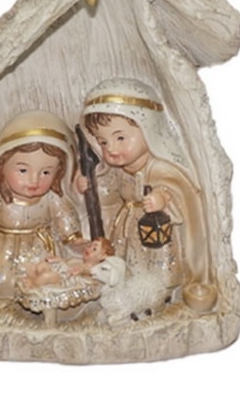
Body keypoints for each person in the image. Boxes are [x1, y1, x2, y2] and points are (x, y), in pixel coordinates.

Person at [79, 79, 215, 311]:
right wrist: (90, 185)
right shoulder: (116, 170)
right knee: (127, 265)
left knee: (154, 264)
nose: (111, 148)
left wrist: (162, 198)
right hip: (126, 228)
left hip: (156, 232)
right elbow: (108, 194)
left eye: (120, 138)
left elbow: (177, 190)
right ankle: (130, 294)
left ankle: (159, 294)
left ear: (148, 130)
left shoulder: (160, 168)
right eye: (103, 141)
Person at [0, 110, 86, 299]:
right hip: (3, 253)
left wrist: (73, 239)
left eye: (45, 172)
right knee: (0, 284)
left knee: (44, 283)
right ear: (1, 167)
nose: (34, 180)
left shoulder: (52, 198)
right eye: (23, 170)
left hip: (40, 254)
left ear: (58, 173)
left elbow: (64, 217)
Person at [20, 237, 114, 289]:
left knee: (47, 276)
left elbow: (86, 271)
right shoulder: (78, 260)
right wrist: (59, 260)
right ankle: (34, 277)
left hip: (65, 280)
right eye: (89, 246)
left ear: (102, 256)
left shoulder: (93, 268)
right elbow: (67, 264)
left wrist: (81, 270)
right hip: (61, 271)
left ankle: (33, 284)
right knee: (42, 266)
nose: (89, 249)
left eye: (94, 249)